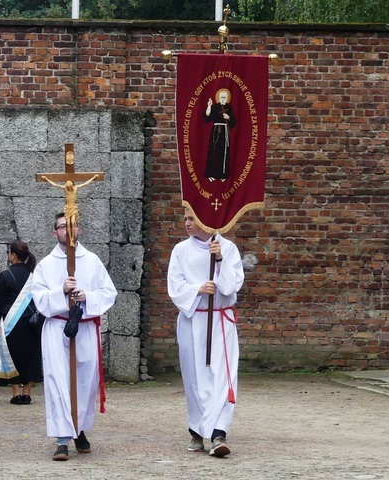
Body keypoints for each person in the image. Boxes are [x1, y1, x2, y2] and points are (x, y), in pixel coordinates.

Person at [31, 213, 117, 461]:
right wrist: (61, 291)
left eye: (73, 225)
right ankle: (61, 439)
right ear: (54, 232)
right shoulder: (45, 265)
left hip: (85, 327)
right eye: (62, 227)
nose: (68, 231)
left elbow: (108, 292)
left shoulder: (91, 261)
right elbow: (39, 299)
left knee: (84, 380)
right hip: (57, 328)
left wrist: (86, 296)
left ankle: (78, 429)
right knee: (59, 381)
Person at [167, 207, 244, 457]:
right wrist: (199, 289)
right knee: (196, 377)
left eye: (192, 218)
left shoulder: (228, 248)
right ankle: (197, 432)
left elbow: (232, 286)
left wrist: (219, 260)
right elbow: (175, 286)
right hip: (193, 320)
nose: (186, 222)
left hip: (221, 322)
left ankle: (219, 433)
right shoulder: (180, 250)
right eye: (186, 218)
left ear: (206, 221)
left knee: (222, 376)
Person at [0, 239, 42, 405]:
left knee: (13, 356)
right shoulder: (35, 274)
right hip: (31, 322)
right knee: (31, 356)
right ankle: (27, 392)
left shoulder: (5, 275)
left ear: (13, 255)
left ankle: (16, 392)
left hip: (11, 323)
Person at [203, 88, 236, 181]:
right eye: (221, 97)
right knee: (214, 152)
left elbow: (233, 122)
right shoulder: (214, 107)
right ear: (218, 97)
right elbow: (207, 117)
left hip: (225, 132)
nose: (223, 99)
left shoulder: (229, 107)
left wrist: (228, 117)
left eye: (225, 97)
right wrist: (209, 106)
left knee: (224, 153)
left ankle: (223, 174)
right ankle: (212, 174)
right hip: (216, 131)